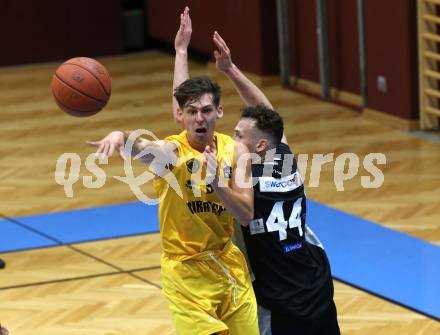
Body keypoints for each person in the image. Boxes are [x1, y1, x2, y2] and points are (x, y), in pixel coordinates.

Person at [87, 9, 259, 335]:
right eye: (192, 112)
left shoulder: (236, 151)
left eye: (207, 111)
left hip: (228, 267)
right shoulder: (171, 155)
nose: (199, 118)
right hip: (185, 274)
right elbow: (143, 149)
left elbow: (247, 215)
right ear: (182, 116)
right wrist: (121, 139)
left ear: (219, 112)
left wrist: (218, 184)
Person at [173, 8, 340, 335]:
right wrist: (231, 69)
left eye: (238, 135)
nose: (232, 138)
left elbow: (186, 122)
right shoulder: (283, 156)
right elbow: (267, 114)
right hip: (315, 280)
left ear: (258, 146)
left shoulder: (237, 173)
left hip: (278, 298)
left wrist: (181, 52)